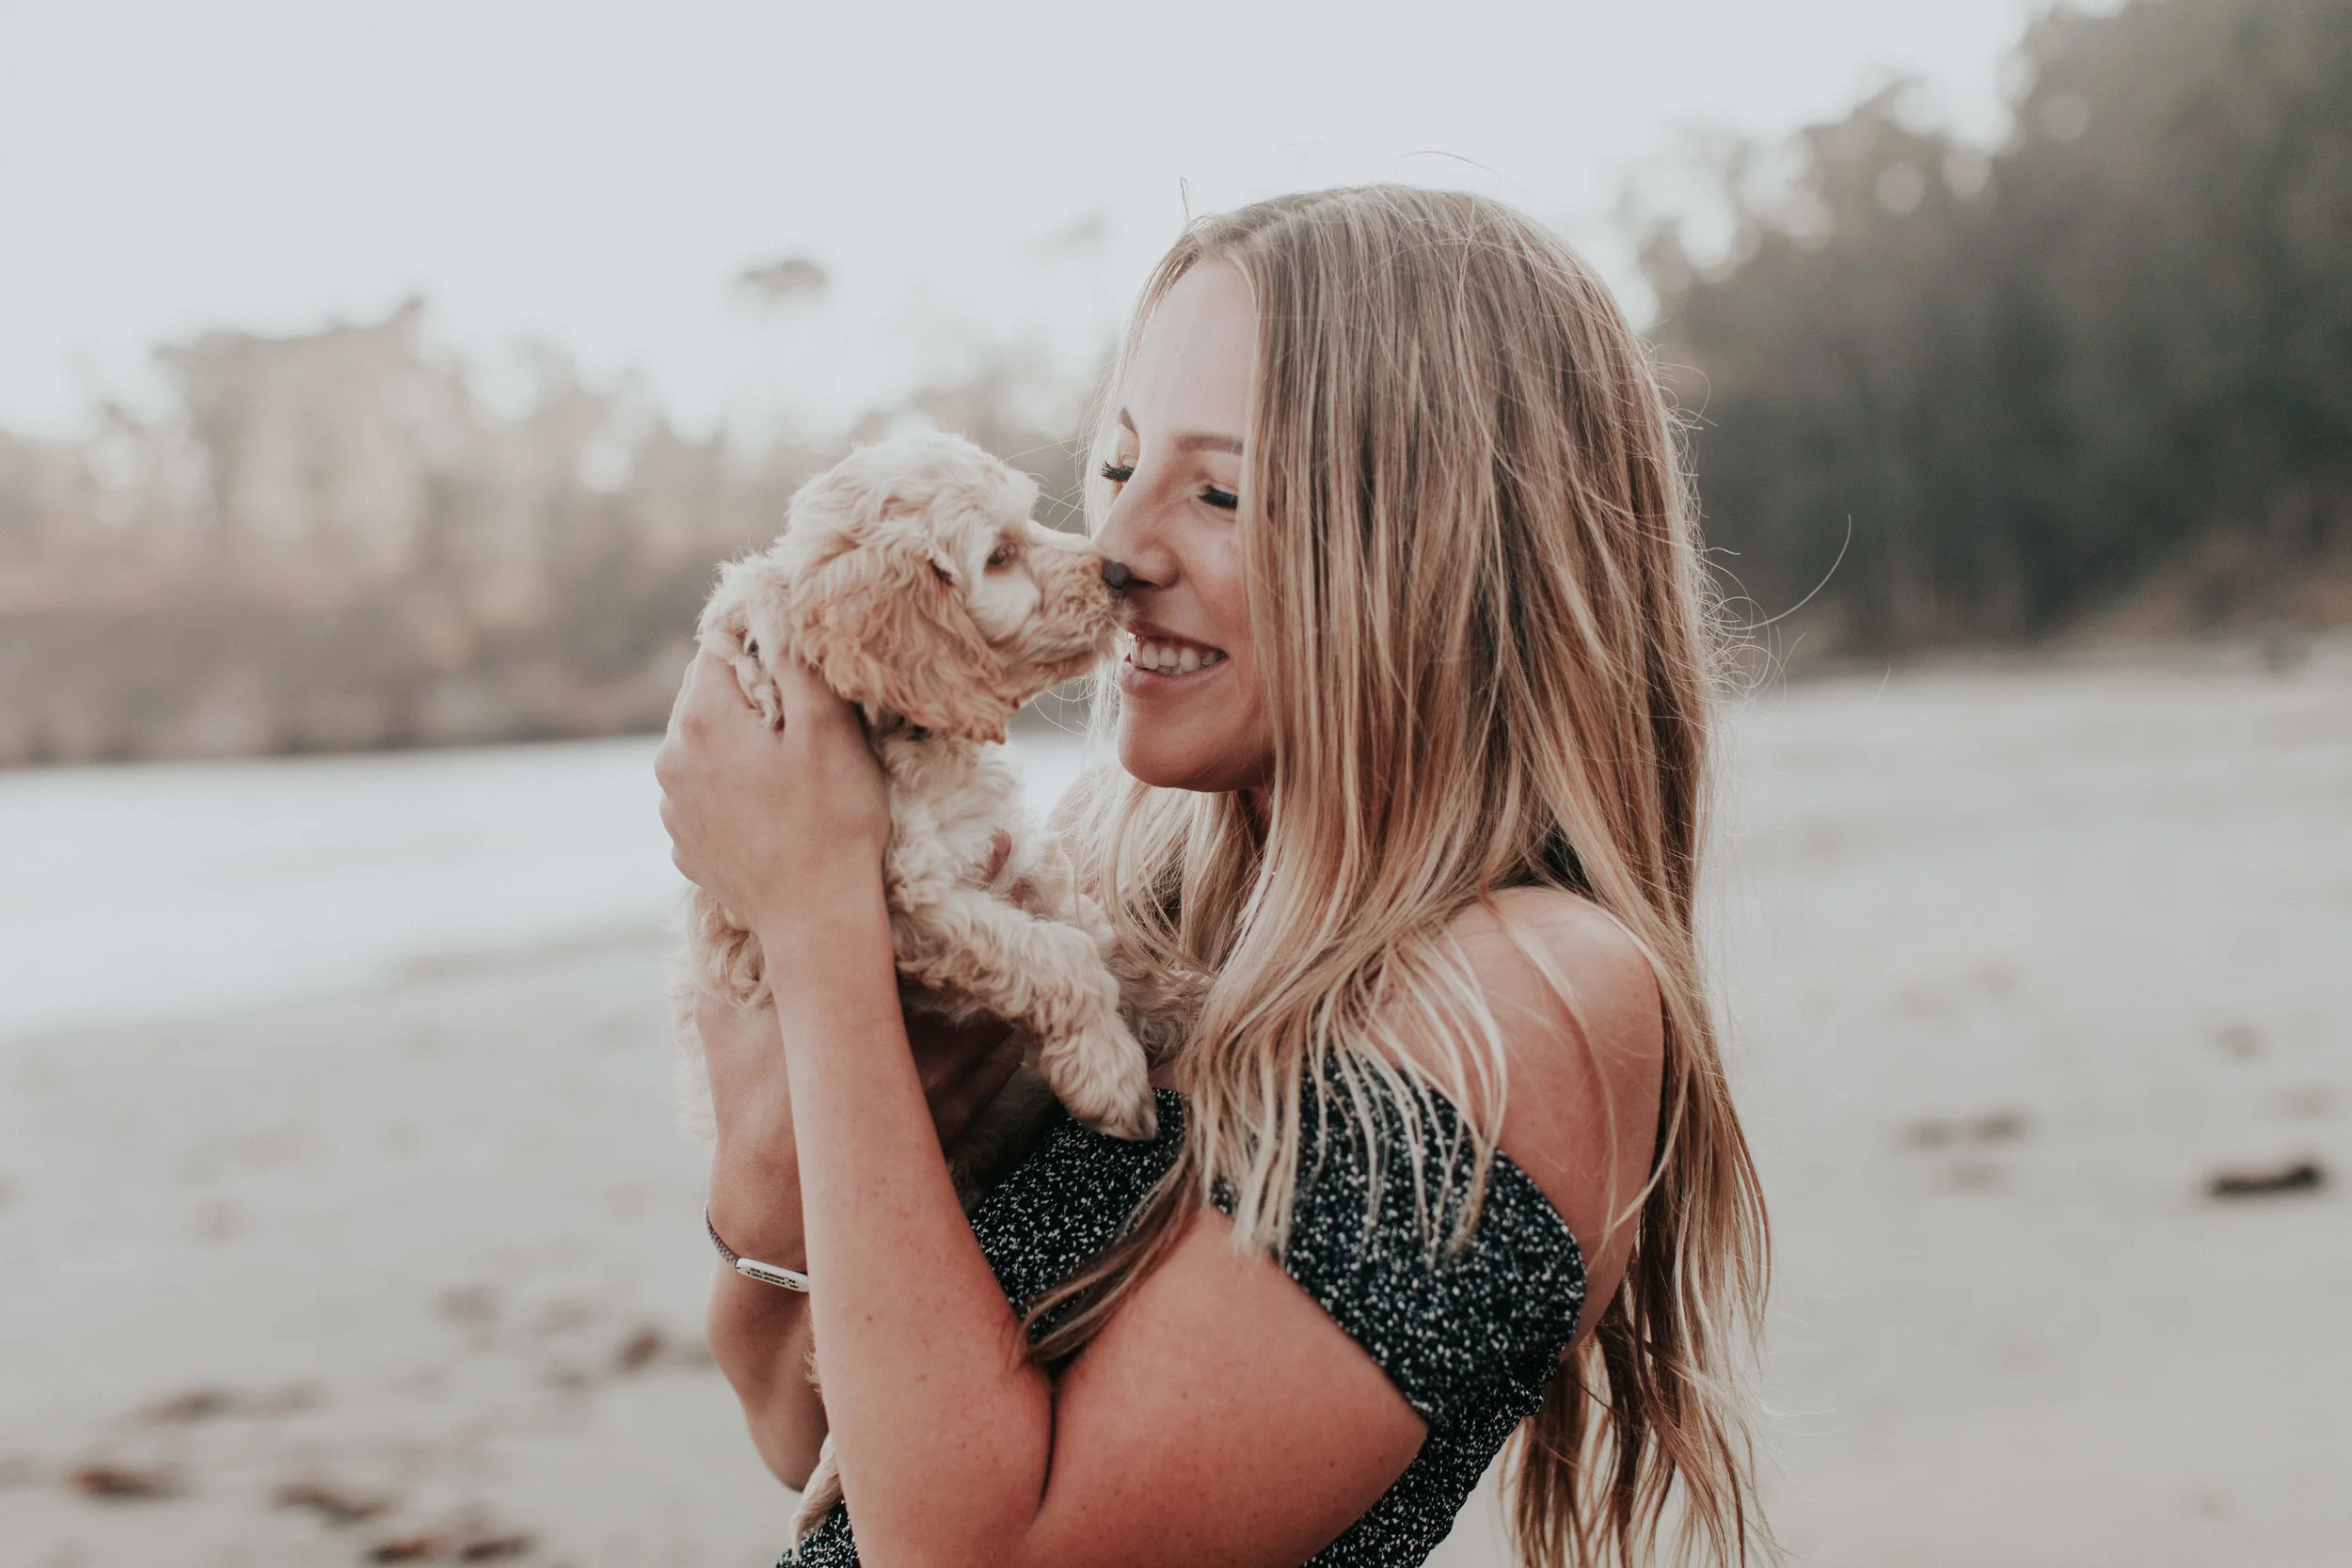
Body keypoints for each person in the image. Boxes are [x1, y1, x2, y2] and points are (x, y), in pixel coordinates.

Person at [655, 185, 1769, 1568]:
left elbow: (973, 1553)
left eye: (1222, 490)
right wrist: (782, 1091)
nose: (1118, 549)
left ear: (1439, 546)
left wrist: (818, 915)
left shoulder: (1531, 997)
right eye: (1119, 467)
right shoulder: (1120, 877)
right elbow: (795, 1411)